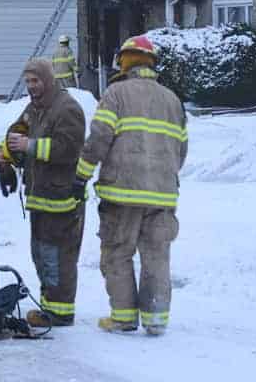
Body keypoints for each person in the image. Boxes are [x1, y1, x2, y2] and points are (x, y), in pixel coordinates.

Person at [74, 35, 187, 336]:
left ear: (124, 61)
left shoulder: (116, 93)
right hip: (162, 196)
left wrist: (81, 175)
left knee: (117, 253)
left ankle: (123, 317)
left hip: (121, 194)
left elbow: (99, 138)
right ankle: (156, 319)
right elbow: (181, 150)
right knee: (157, 257)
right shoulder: (172, 100)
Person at [0, 58, 86, 327]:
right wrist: (3, 158)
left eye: (35, 81)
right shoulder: (34, 108)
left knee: (57, 258)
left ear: (48, 79)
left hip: (62, 200)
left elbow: (68, 150)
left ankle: (60, 312)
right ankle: (50, 306)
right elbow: (16, 134)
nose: (31, 86)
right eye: (28, 81)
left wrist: (29, 146)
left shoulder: (67, 109)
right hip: (41, 198)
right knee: (42, 254)